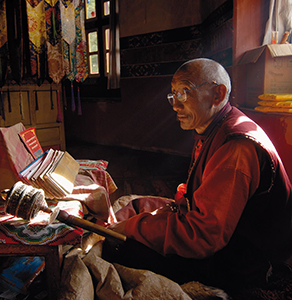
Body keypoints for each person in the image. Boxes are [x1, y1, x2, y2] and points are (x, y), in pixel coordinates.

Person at [102, 58, 292, 295]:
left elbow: (203, 235)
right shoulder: (216, 126)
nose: (175, 105)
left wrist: (130, 228)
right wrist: (141, 219)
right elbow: (197, 197)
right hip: (223, 233)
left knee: (120, 246)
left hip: (247, 257)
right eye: (173, 95)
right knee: (136, 206)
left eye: (183, 93)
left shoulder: (236, 147)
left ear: (217, 94)